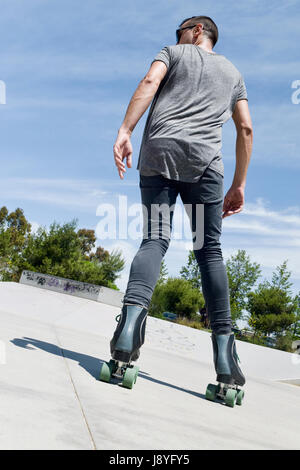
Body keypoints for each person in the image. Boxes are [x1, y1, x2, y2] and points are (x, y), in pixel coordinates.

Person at [104, 15, 253, 395]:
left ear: (198, 31)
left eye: (181, 31)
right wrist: (238, 184)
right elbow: (246, 128)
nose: (177, 37)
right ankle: (225, 357)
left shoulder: (173, 53)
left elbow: (150, 82)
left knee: (155, 238)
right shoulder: (234, 74)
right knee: (209, 252)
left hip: (161, 154)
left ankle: (129, 331)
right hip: (205, 168)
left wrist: (125, 130)